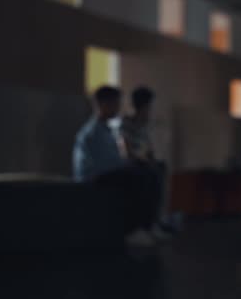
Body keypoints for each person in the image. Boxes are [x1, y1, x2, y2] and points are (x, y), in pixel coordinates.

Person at [73, 86, 164, 247]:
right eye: (115, 104)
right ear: (103, 104)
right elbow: (106, 164)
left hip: (103, 173)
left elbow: (114, 160)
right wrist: (132, 164)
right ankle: (133, 230)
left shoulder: (105, 130)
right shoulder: (93, 132)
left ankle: (147, 226)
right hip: (92, 178)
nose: (118, 108)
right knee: (138, 176)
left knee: (147, 172)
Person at [120, 86, 180, 234]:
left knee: (161, 168)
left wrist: (152, 159)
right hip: (131, 165)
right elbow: (128, 152)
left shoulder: (143, 126)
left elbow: (148, 150)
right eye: (149, 107)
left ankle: (158, 219)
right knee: (150, 174)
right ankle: (147, 223)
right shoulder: (126, 124)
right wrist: (146, 160)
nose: (150, 110)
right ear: (142, 106)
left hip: (143, 164)